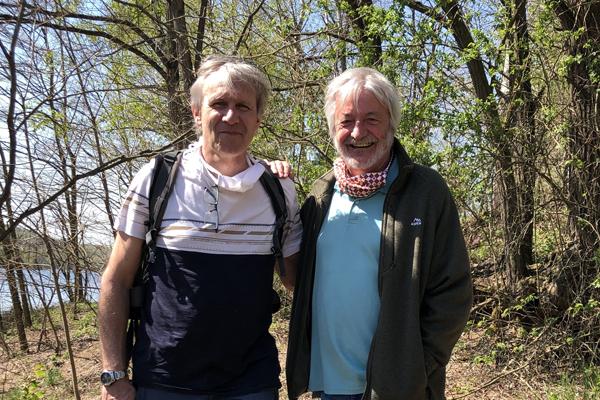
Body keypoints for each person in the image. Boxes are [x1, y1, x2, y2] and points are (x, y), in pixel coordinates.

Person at [99, 55, 301, 400]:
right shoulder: (157, 178)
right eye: (218, 104)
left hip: (250, 382)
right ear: (196, 112)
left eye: (243, 106)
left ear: (258, 118)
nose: (230, 116)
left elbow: (297, 281)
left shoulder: (279, 190)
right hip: (164, 380)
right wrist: (113, 372)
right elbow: (116, 278)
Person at [286, 67, 472, 400]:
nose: (358, 132)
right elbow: (297, 278)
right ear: (333, 129)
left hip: (398, 389)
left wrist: (416, 368)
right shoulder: (319, 195)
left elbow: (453, 293)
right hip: (329, 387)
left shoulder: (426, 192)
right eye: (346, 121)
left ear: (391, 122)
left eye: (372, 118)